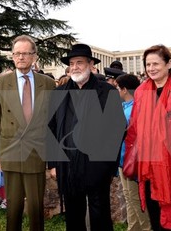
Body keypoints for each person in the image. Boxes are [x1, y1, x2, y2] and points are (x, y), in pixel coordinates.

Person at [48, 44, 126, 231]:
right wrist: (53, 163)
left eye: (79, 63)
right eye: (72, 63)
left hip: (97, 165)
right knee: (74, 214)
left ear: (91, 65)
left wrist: (108, 164)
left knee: (100, 213)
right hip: (68, 165)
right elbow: (49, 128)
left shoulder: (107, 91)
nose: (74, 67)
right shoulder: (59, 93)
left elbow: (118, 129)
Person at [123, 44, 171, 231]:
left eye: (156, 63)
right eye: (148, 65)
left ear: (169, 64)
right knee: (156, 219)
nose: (151, 69)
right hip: (149, 170)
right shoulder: (141, 93)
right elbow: (134, 129)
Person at [0, 35, 56, 231]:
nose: (20, 57)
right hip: (9, 151)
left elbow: (52, 123)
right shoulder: (0, 83)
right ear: (12, 56)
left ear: (34, 56)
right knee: (14, 207)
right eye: (17, 53)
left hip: (37, 153)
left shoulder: (48, 84)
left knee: (36, 207)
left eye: (25, 53)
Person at [115, 74, 151, 231]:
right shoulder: (126, 107)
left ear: (124, 90)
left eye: (117, 88)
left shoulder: (130, 110)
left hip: (130, 161)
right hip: (124, 160)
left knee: (134, 199)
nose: (116, 91)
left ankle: (146, 227)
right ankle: (134, 227)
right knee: (129, 197)